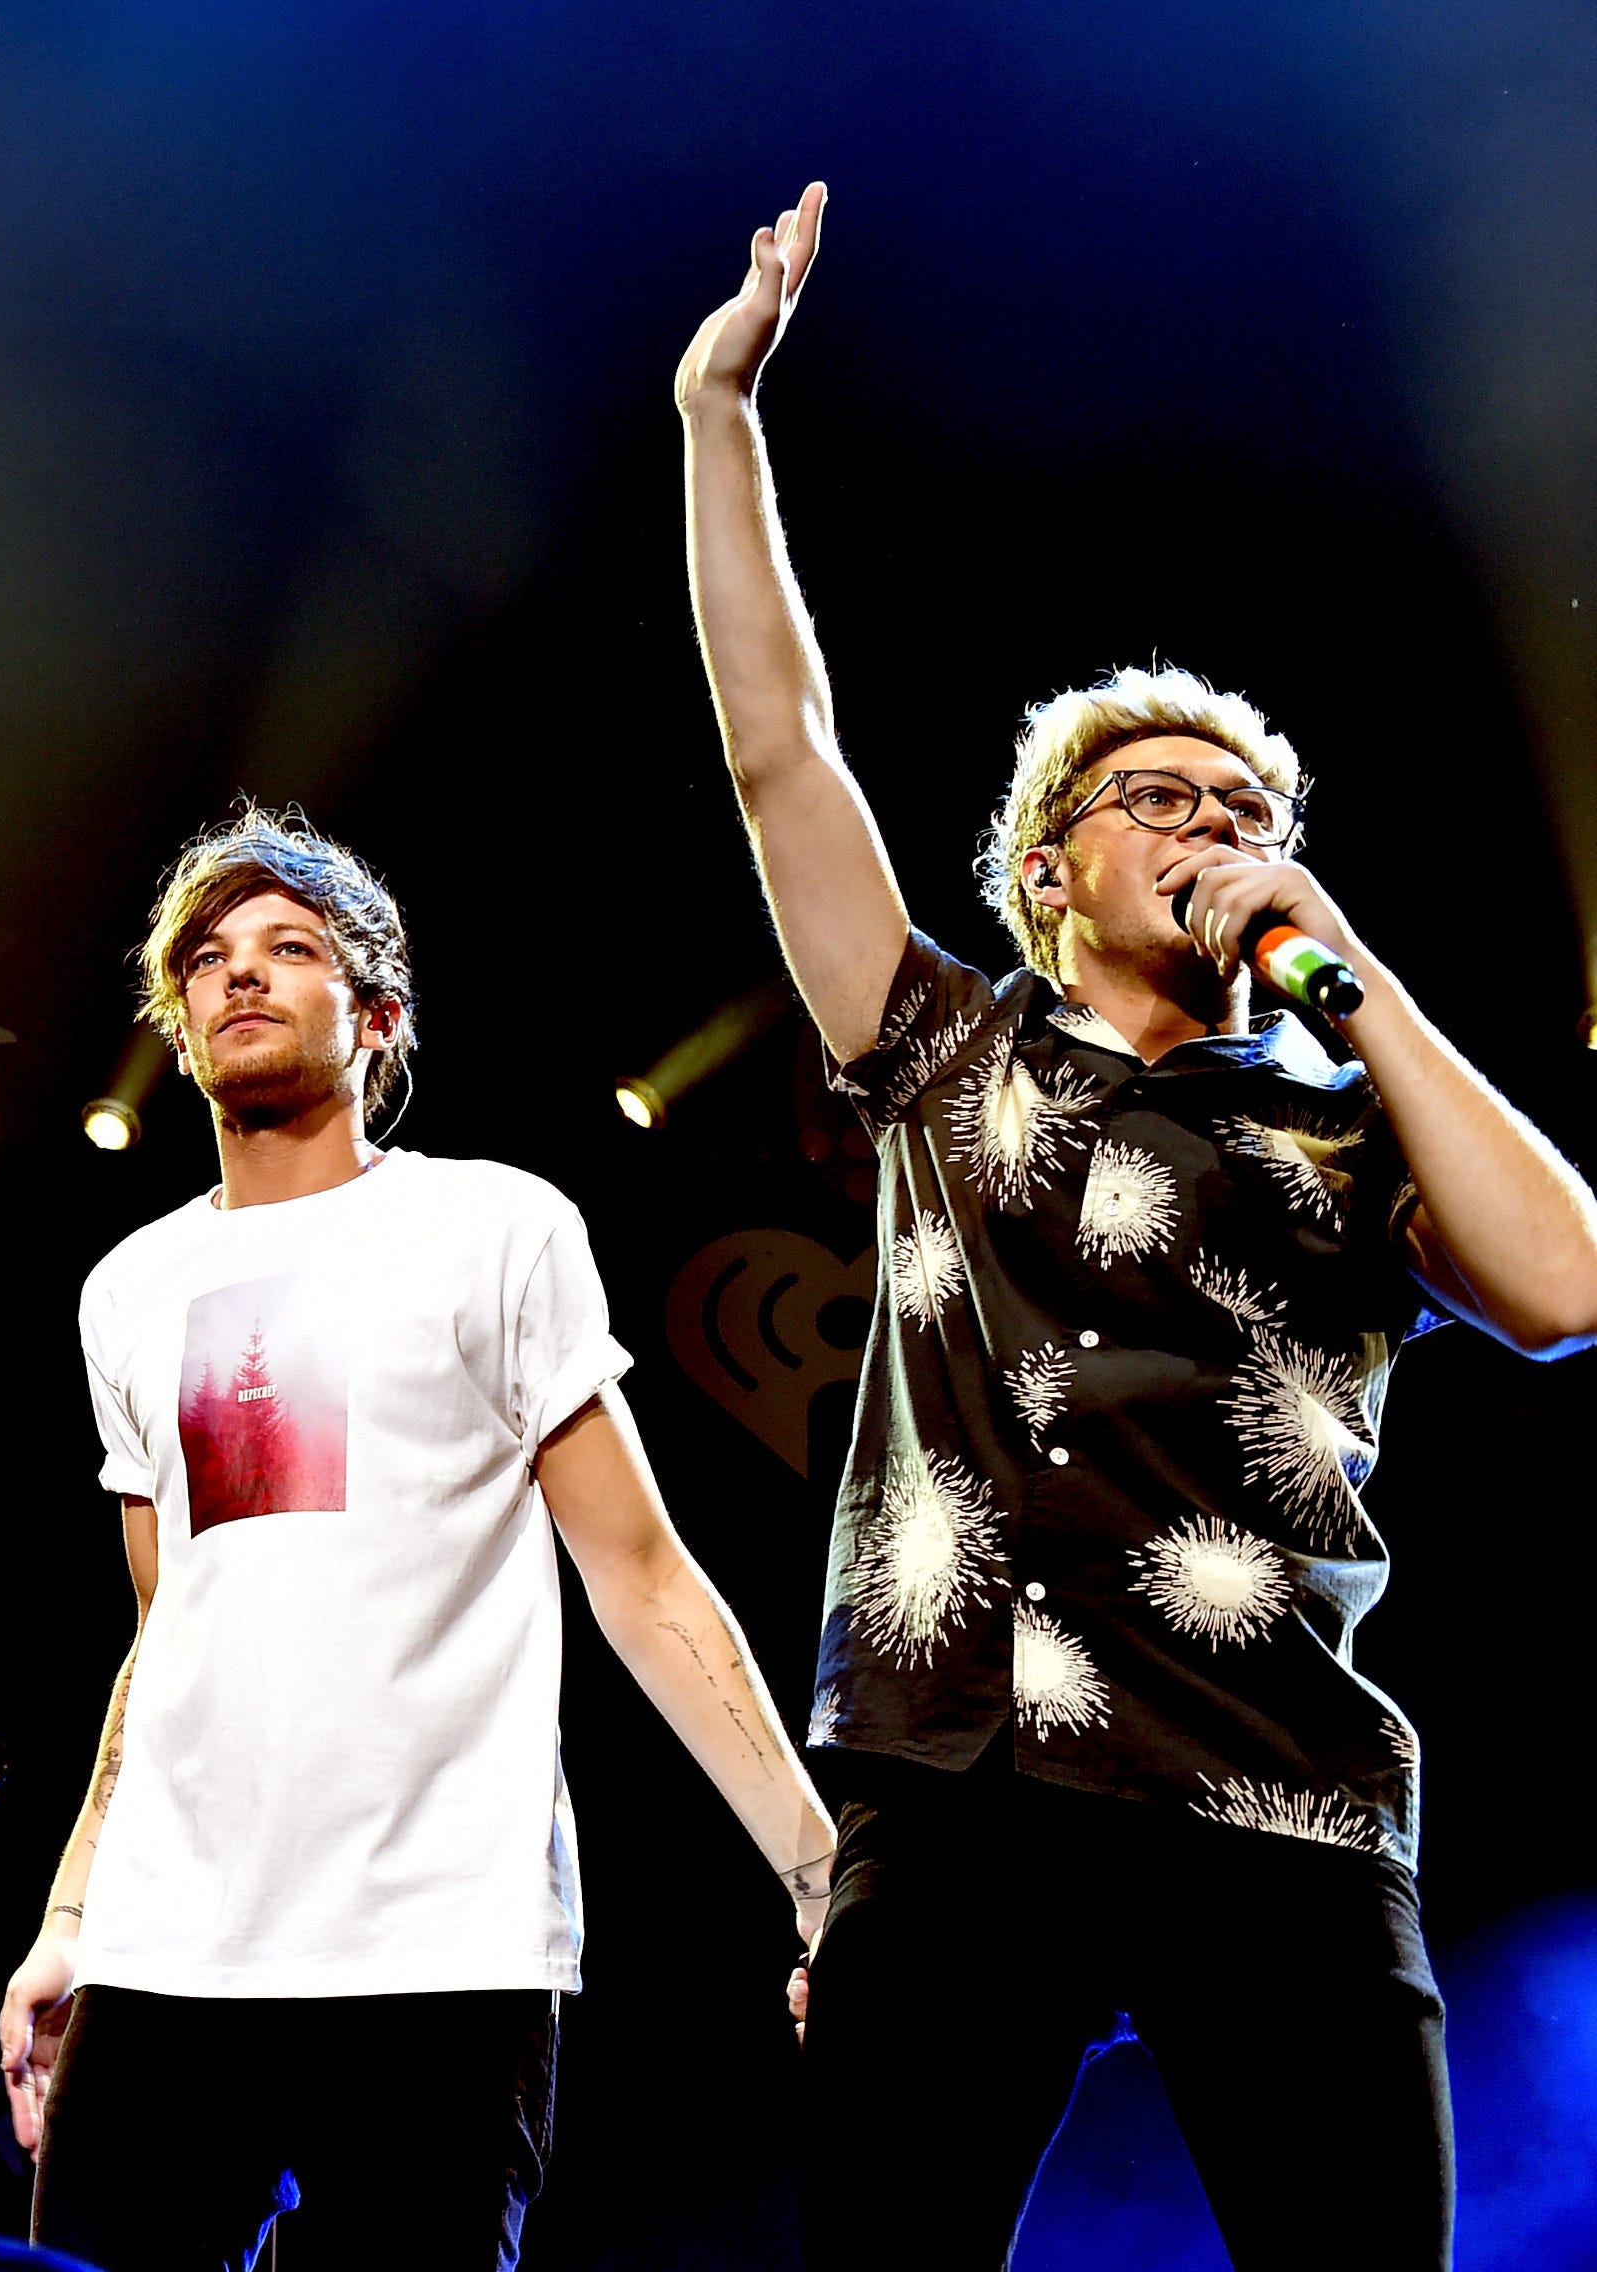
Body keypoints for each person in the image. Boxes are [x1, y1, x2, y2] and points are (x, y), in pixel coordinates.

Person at [676, 185, 1597, 2270]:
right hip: (957, 1766)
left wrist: (1340, 965)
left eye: (1244, 811)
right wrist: (715, 413)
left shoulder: (1350, 1138)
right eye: (1157, 799)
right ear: (1043, 862)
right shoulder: (940, 1045)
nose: (1206, 830)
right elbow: (770, 752)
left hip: (1276, 1778)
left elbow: (1565, 1285)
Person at [0, 807, 838, 2272]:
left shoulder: (492, 1229)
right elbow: (165, 1640)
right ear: (174, 1022)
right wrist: (71, 1916)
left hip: (440, 1952)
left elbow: (640, 1574)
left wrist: (824, 1881)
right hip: (166, 1956)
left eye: (290, 948)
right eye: (206, 959)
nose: (239, 976)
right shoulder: (131, 1288)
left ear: (376, 1015)